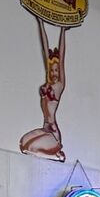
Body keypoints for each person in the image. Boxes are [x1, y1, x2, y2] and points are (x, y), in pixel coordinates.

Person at [19, 18, 67, 161]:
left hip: (53, 133)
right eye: (52, 70)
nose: (54, 73)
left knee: (30, 148)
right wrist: (40, 24)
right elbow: (45, 50)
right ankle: (53, 153)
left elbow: (62, 56)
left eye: (56, 71)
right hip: (45, 128)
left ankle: (57, 155)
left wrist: (63, 31)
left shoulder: (59, 86)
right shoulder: (48, 83)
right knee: (23, 144)